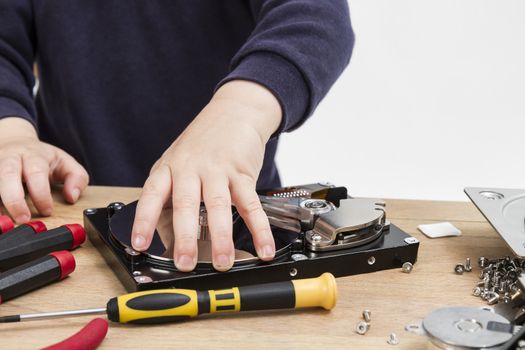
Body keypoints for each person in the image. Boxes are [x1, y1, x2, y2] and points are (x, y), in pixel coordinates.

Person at [0, 1, 354, 272]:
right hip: (59, 214)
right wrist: (10, 132)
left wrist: (239, 113)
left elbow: (315, 18)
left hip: (234, 223)